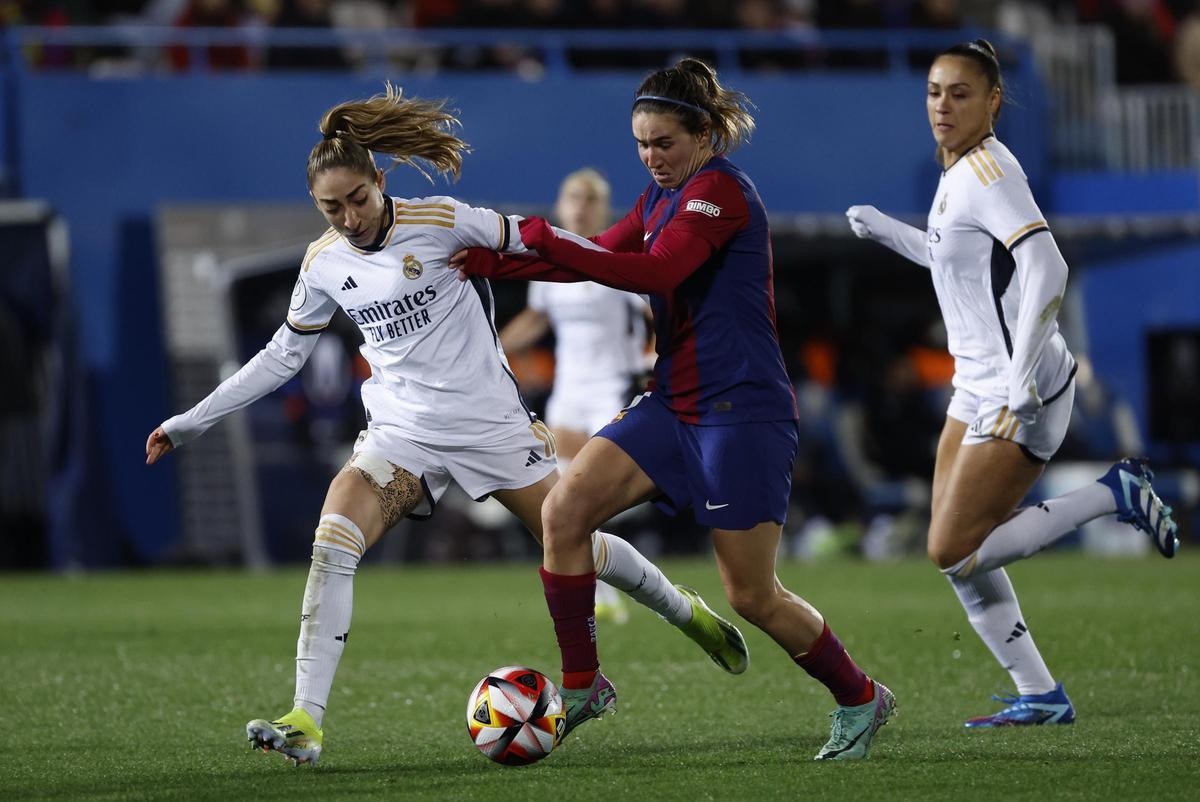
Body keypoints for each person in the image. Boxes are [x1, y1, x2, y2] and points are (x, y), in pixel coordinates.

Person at [144, 84, 749, 766]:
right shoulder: (324, 266)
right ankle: (306, 720)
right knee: (333, 541)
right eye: (330, 207)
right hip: (400, 432)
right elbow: (282, 355)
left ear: (380, 181)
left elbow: (541, 247)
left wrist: (621, 258)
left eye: (357, 199)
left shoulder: (442, 220)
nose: (347, 217)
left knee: (573, 537)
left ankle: (682, 609)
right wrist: (190, 422)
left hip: (489, 425)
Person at [455, 58, 896, 761]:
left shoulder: (719, 193)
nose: (651, 157)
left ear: (704, 134)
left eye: (663, 143)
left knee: (752, 595)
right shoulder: (659, 197)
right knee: (563, 515)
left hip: (741, 412)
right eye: (640, 143)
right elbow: (593, 254)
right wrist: (490, 260)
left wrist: (539, 236)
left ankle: (860, 696)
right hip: (674, 403)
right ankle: (583, 684)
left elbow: (656, 271)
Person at [845, 38, 1179, 727]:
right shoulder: (958, 169)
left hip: (1019, 389)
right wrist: (889, 232)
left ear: (993, 102)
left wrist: (1021, 384)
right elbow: (954, 261)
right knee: (955, 550)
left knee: (952, 547)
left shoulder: (989, 171)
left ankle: (1111, 492)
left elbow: (1047, 268)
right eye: (935, 91)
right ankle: (1041, 694)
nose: (943, 104)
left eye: (960, 93)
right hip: (978, 384)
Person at [499, 167, 654, 625]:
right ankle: (598, 590)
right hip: (570, 390)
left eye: (589, 198)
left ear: (604, 207)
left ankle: (634, 581)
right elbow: (536, 319)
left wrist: (657, 362)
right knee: (564, 497)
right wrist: (490, 350)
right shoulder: (552, 261)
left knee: (594, 495)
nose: (580, 205)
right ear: (561, 204)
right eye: (572, 197)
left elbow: (661, 310)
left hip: (616, 386)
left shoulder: (621, 253)